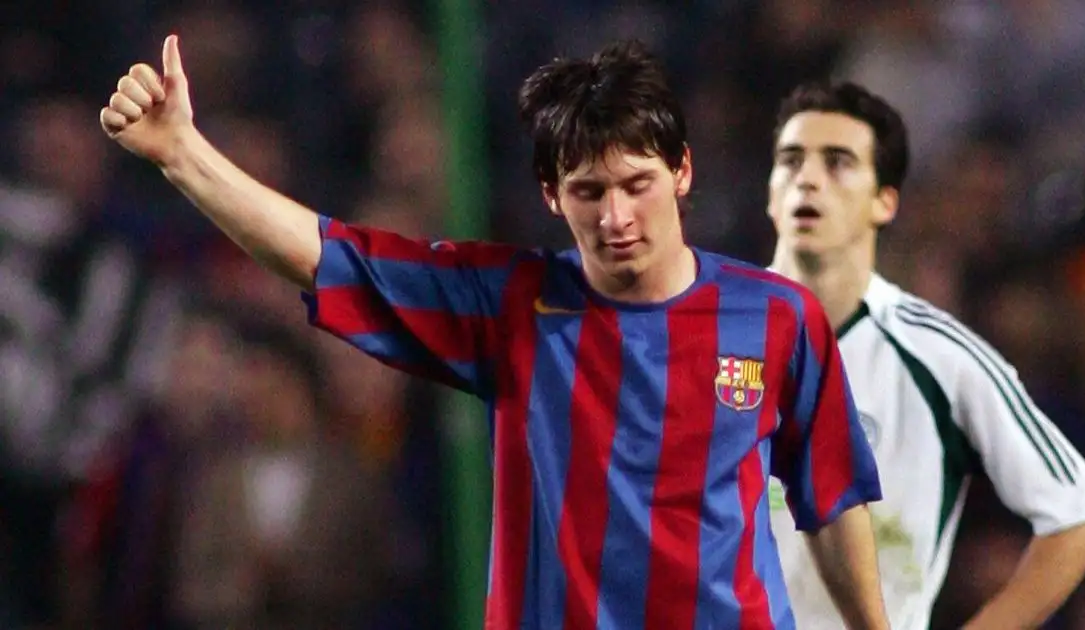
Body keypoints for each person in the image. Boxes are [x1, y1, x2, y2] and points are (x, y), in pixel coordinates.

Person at [99, 36, 890, 629]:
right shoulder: (511, 307)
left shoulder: (777, 318)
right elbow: (327, 255)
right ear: (552, 195)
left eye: (636, 184)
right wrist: (183, 154)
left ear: (681, 172)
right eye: (588, 191)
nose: (615, 217)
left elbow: (833, 500)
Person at [762, 80, 1085, 630]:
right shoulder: (704, 330)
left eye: (837, 162)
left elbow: (1083, 515)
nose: (807, 179)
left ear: (885, 201)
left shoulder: (938, 356)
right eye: (791, 160)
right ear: (769, 191)